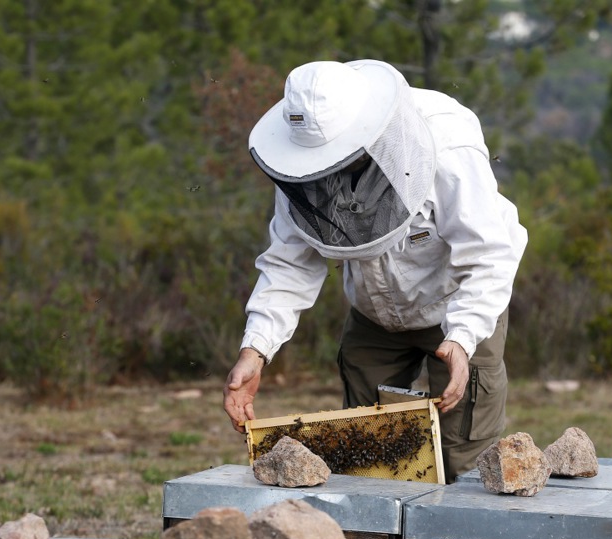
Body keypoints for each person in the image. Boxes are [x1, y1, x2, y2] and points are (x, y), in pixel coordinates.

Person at [222, 59, 527, 482]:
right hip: (373, 315)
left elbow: (490, 253)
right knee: (369, 458)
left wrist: (462, 337)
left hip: (459, 303)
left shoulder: (448, 145)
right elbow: (289, 263)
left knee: (465, 464)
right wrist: (254, 350)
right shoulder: (299, 166)